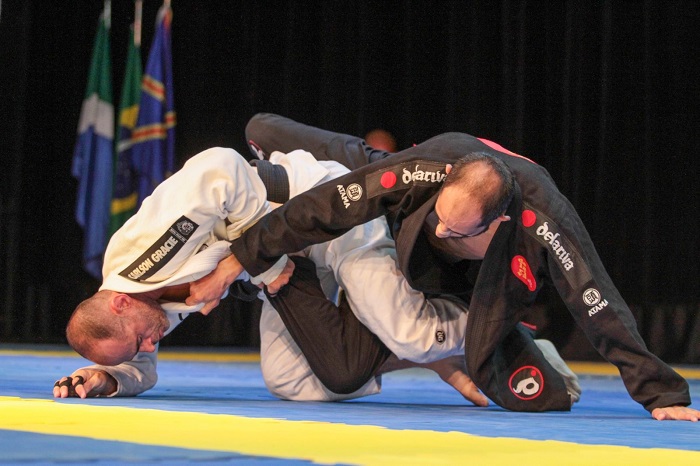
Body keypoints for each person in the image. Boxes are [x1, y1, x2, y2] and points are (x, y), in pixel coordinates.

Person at [202, 113, 698, 421]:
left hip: (471, 291)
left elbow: (598, 304)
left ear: (499, 220)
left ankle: (475, 345)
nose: (442, 232)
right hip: (397, 197)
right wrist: (245, 256)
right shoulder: (427, 169)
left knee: (535, 395)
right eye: (440, 219)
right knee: (261, 129)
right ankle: (428, 335)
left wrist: (659, 393)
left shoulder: (545, 223)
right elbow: (331, 204)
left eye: (457, 230)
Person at [53, 145, 510, 404]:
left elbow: (222, 167)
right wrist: (110, 378)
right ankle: (435, 353)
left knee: (410, 332)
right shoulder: (135, 309)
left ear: (119, 302)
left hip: (321, 214)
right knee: (290, 382)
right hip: (286, 268)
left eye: (140, 342)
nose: (150, 348)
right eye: (139, 347)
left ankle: (488, 322)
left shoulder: (143, 254)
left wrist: (254, 262)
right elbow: (143, 370)